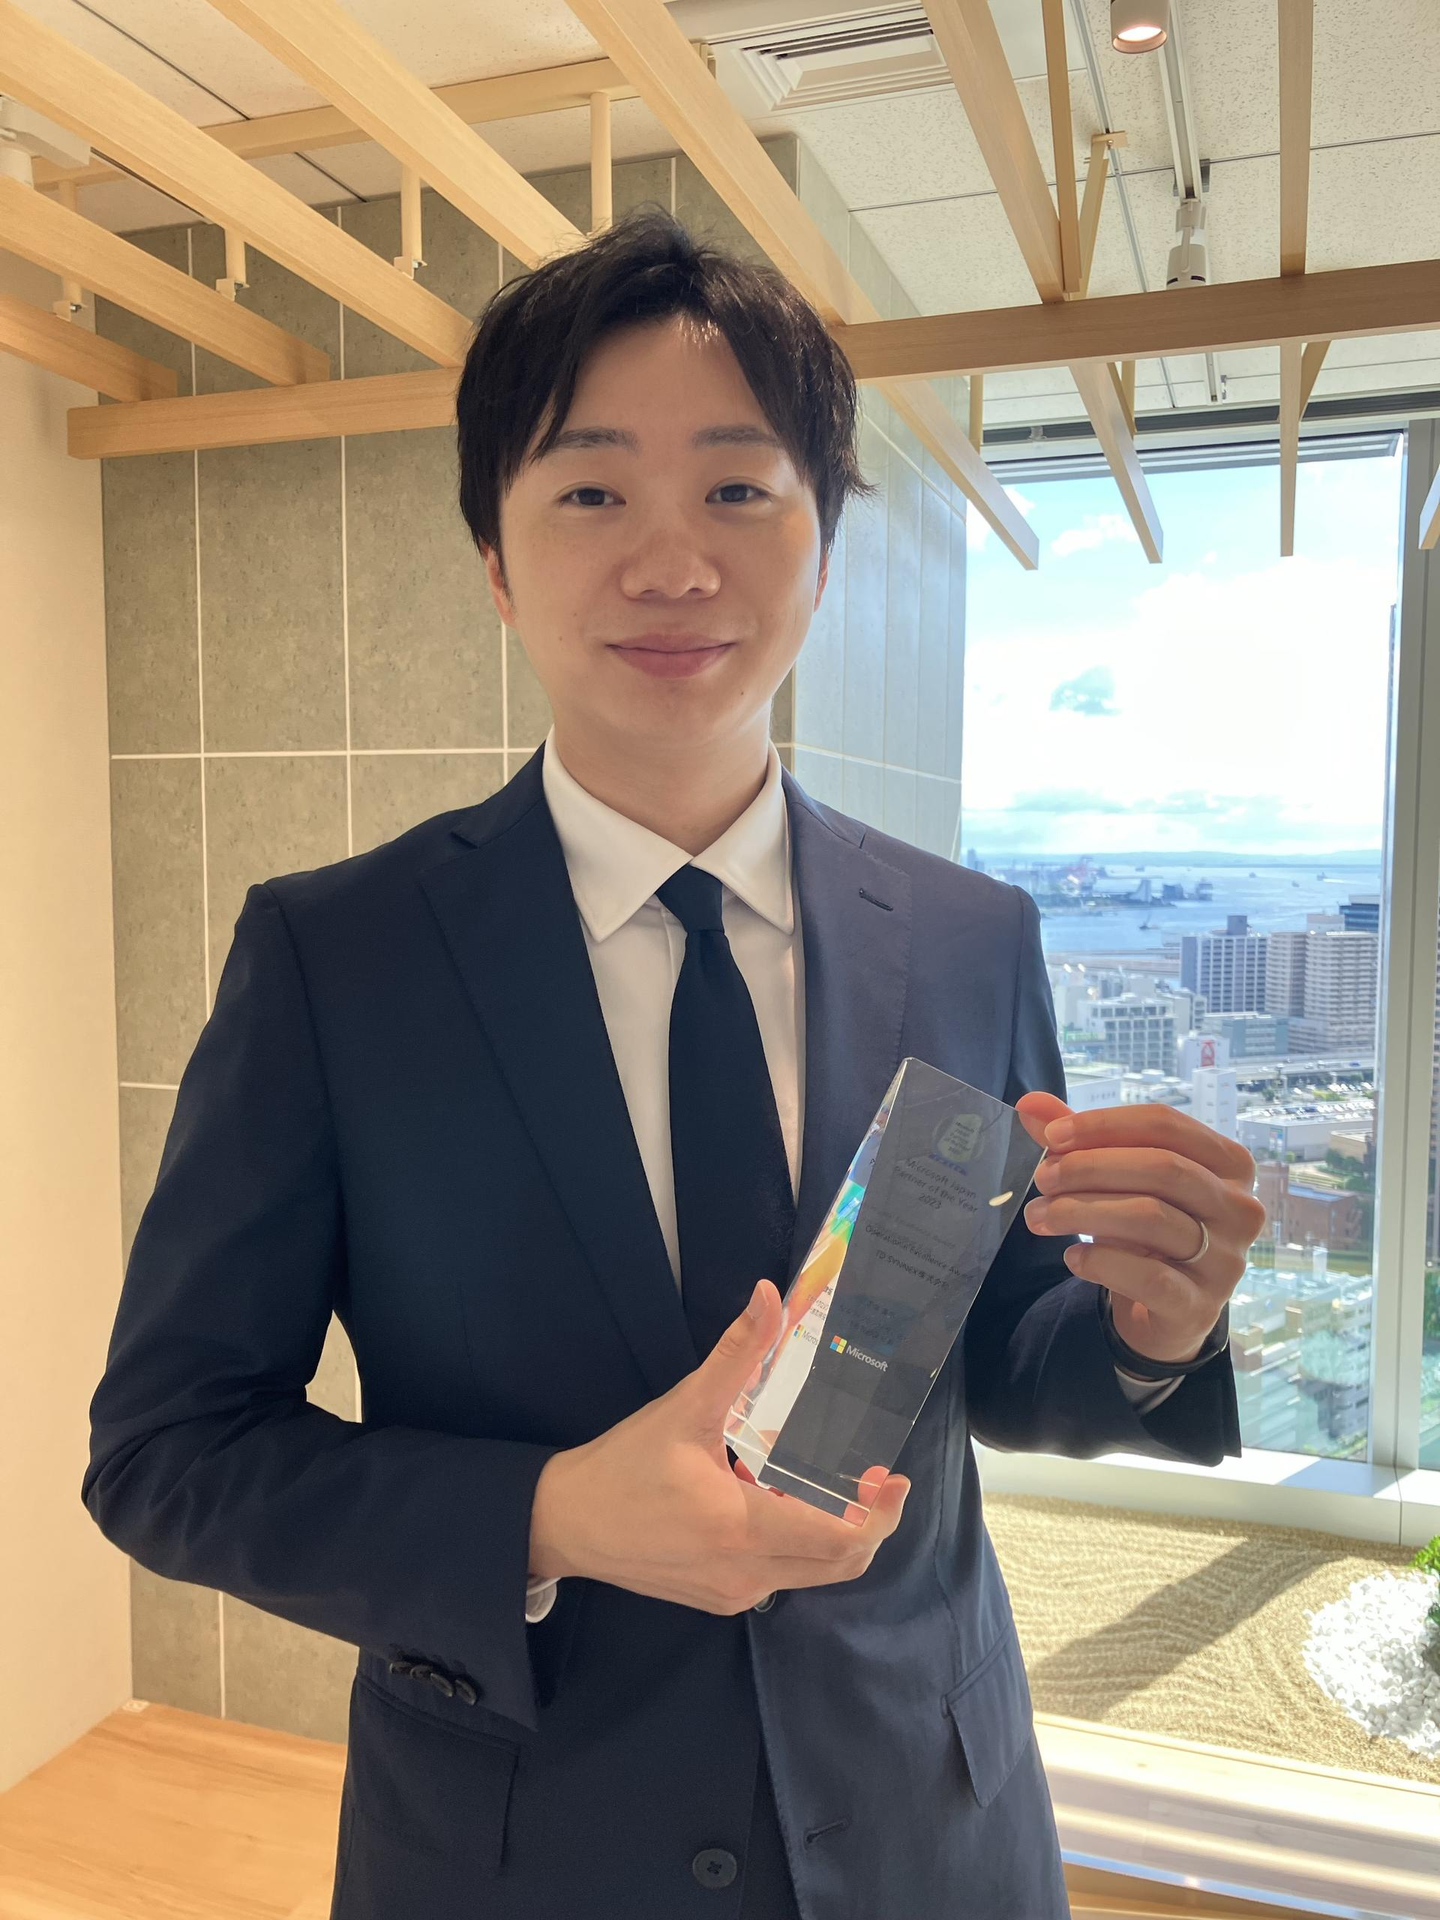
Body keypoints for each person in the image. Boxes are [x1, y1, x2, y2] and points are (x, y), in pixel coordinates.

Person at [83, 206, 1264, 1920]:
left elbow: (995, 1366)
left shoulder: (970, 936)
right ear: (496, 559)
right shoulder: (337, 960)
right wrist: (552, 1515)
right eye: (589, 494)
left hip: (929, 1825)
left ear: (824, 543)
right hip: (516, 1855)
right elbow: (169, 1453)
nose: (671, 563)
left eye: (737, 488)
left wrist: (1153, 1333)